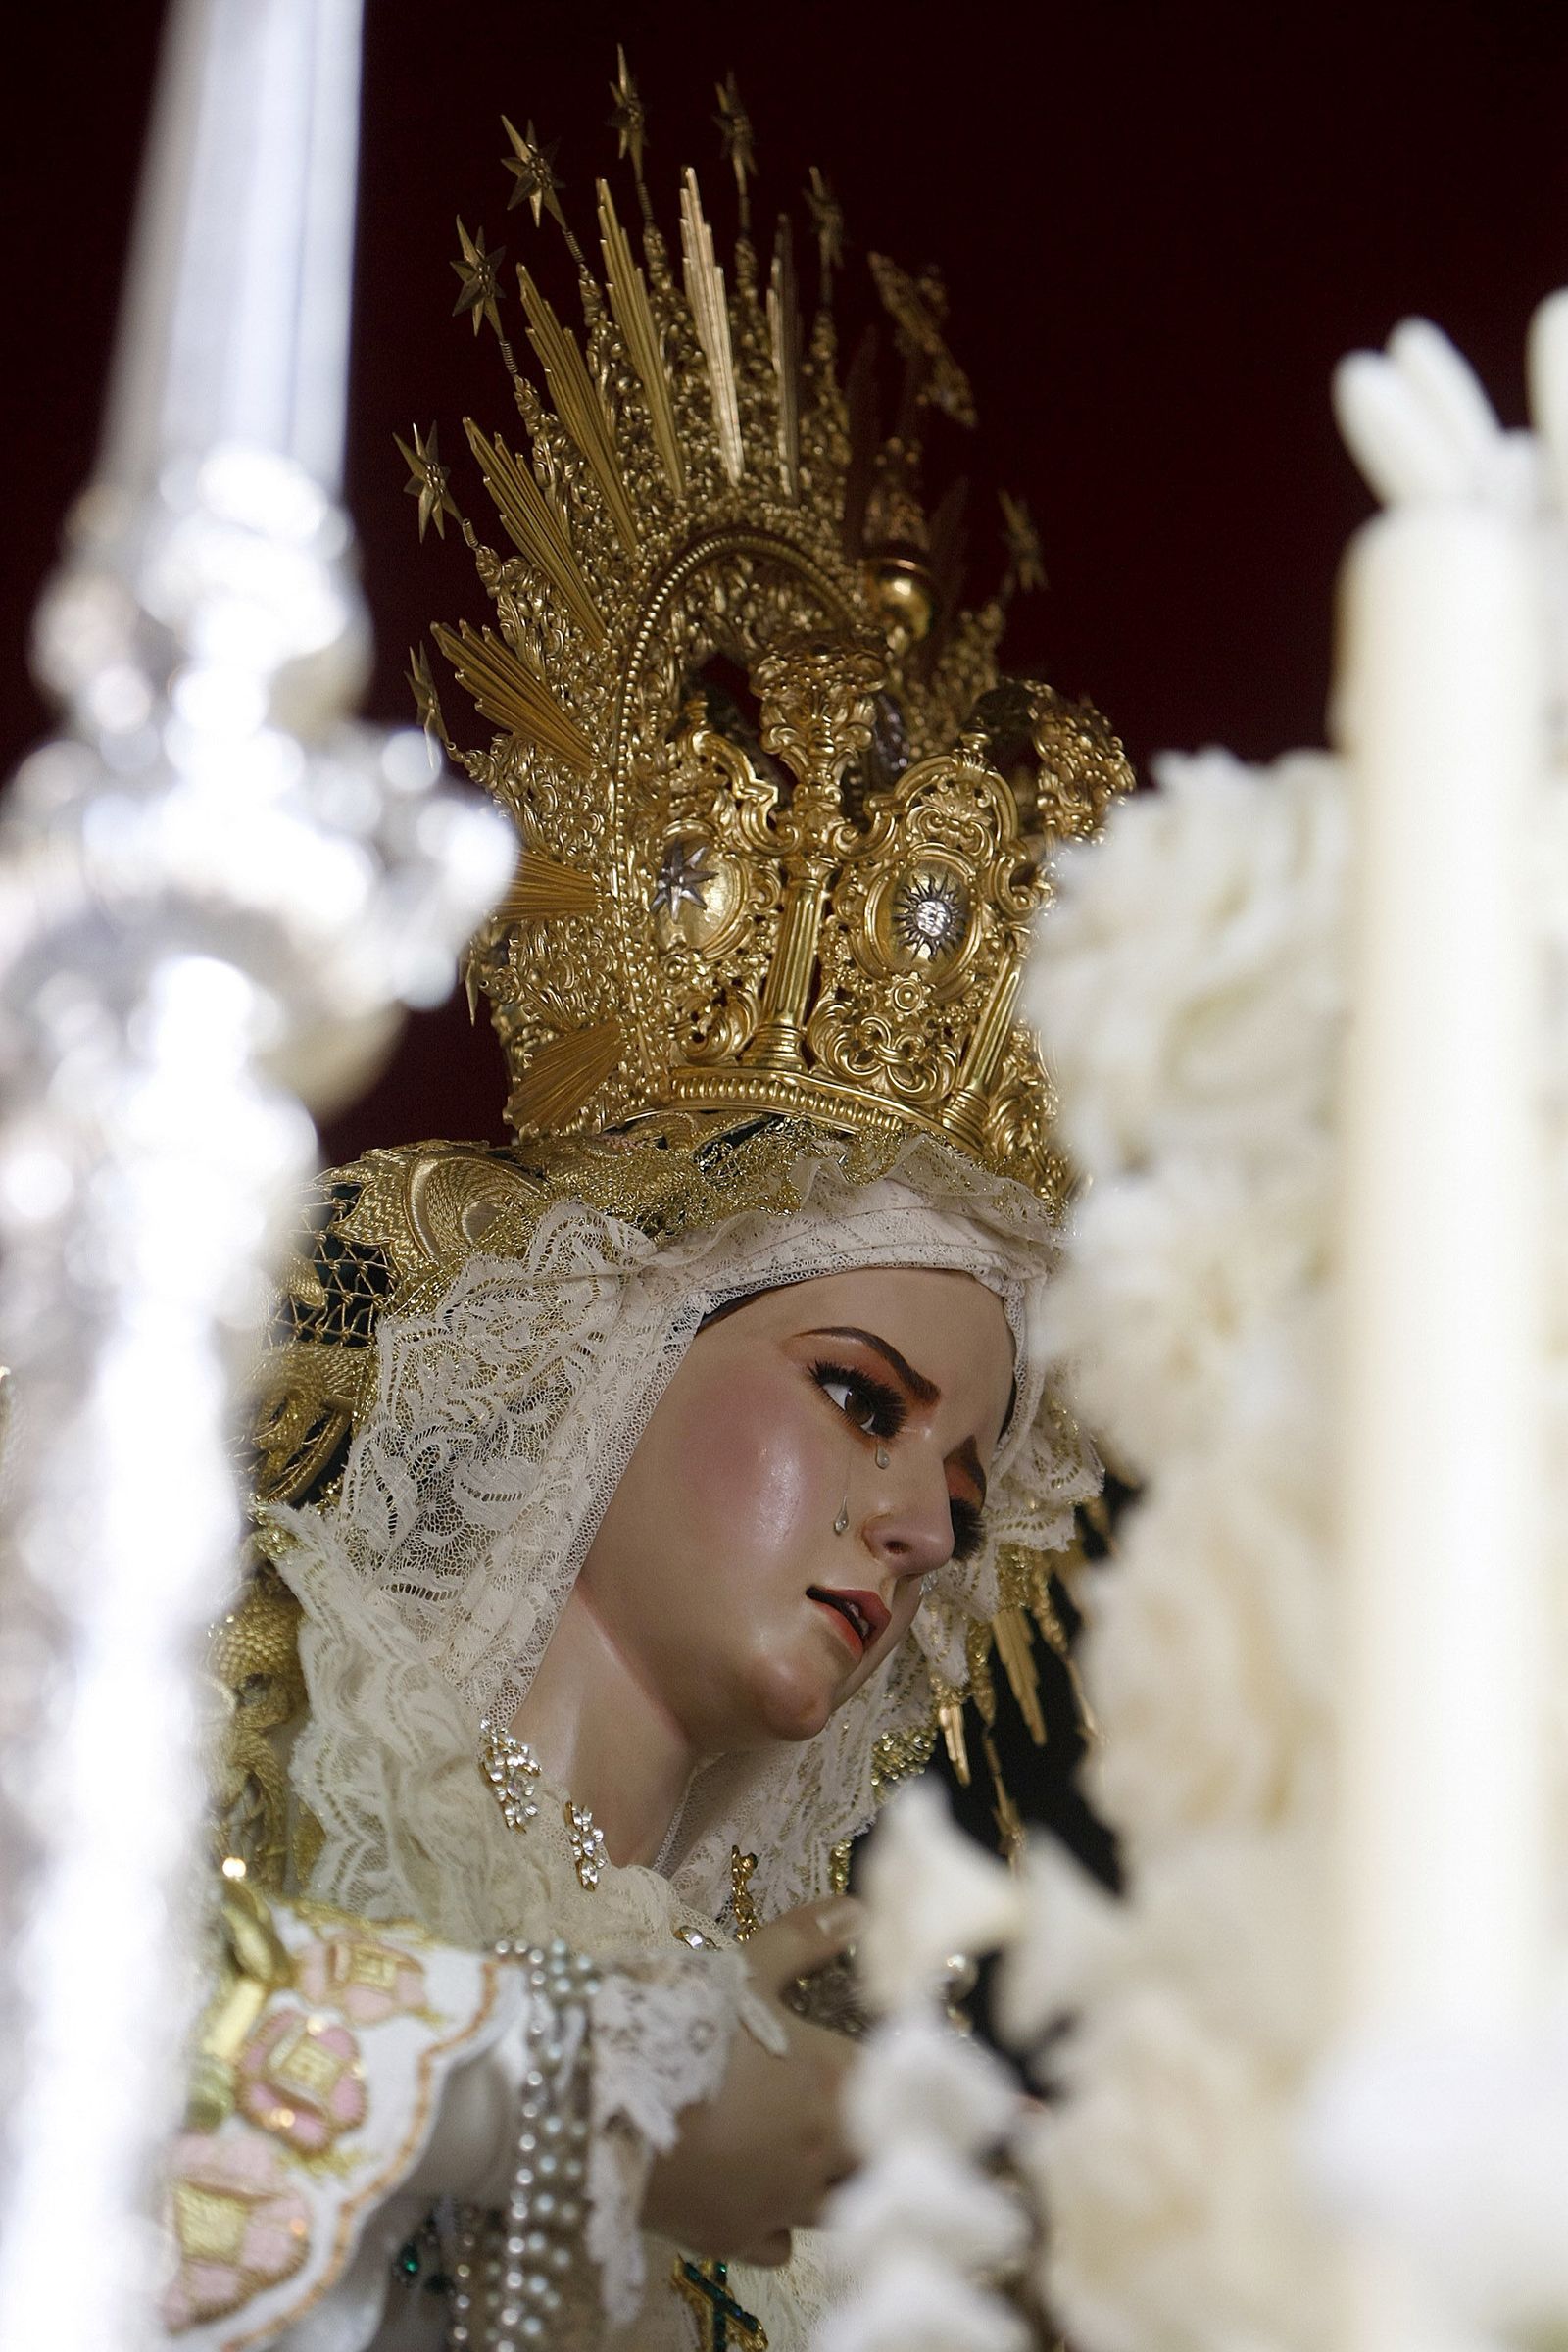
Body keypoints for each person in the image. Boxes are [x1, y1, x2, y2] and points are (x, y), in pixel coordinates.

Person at [167, 74, 1129, 2352]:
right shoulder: (231, 1714)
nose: (921, 1530)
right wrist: (577, 2092)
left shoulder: (788, 2126)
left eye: (969, 1482)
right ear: (601, 1344)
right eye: (859, 1396)